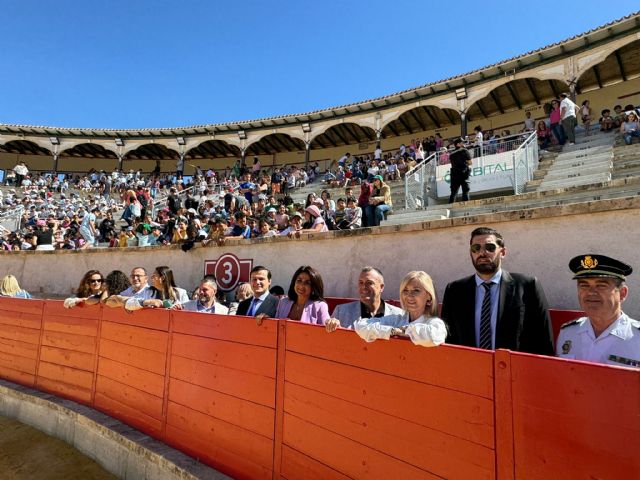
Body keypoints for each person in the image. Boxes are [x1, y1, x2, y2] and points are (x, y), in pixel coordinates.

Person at [441, 227, 554, 355]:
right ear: (470, 253)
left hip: (515, 371)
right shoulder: (455, 291)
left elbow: (544, 340)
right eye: (476, 248)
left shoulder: (527, 286)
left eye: (490, 247)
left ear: (503, 252)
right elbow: (448, 340)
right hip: (470, 370)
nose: (482, 253)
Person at [557, 254, 639, 367]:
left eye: (601, 285)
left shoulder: (637, 338)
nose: (591, 292)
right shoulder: (567, 333)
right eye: (584, 285)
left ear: (622, 293)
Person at [353, 271, 447, 347]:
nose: (409, 296)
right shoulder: (397, 320)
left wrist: (405, 331)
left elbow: (434, 336)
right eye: (405, 290)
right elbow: (361, 325)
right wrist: (391, 331)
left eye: (416, 290)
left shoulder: (434, 323)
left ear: (429, 297)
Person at [325, 267, 403, 332]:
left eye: (369, 283)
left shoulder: (398, 315)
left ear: (381, 287)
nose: (363, 287)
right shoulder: (341, 311)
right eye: (361, 282)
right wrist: (331, 325)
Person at [125, 266, 189, 310]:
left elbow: (188, 310)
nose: (151, 278)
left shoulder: (181, 293)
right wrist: (148, 302)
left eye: (154, 276)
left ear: (162, 278)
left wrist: (179, 308)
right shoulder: (147, 291)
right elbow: (134, 301)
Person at [448, 138, 472, 203]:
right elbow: (470, 162)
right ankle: (466, 207)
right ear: (458, 144)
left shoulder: (451, 154)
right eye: (462, 143)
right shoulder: (464, 150)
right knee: (465, 191)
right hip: (463, 173)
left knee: (453, 193)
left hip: (454, 174)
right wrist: (465, 163)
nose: (463, 144)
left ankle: (450, 208)